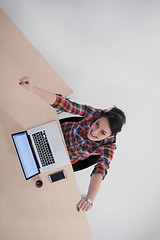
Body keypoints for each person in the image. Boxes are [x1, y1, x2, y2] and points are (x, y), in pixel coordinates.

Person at [19, 76, 126, 212]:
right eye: (97, 124)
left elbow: (100, 170)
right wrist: (32, 88)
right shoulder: (94, 114)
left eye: (102, 133)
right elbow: (65, 104)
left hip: (61, 156)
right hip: (53, 133)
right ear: (98, 117)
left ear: (110, 136)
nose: (95, 132)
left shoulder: (108, 147)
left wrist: (89, 199)